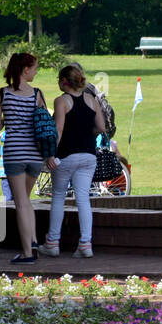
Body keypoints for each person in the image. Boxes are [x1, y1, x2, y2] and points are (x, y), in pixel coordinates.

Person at [41, 65, 106, 258]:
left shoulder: (61, 101)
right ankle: (86, 244)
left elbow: (58, 129)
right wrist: (86, 134)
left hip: (66, 156)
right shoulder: (92, 99)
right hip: (88, 155)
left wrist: (51, 154)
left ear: (63, 82)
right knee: (83, 199)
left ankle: (52, 242)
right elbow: (101, 127)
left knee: (59, 196)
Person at [0, 52, 47, 264]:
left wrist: (9, 117)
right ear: (25, 70)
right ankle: (32, 241)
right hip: (35, 154)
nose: (35, 71)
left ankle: (27, 253)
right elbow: (45, 123)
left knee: (20, 203)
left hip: (14, 152)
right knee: (26, 200)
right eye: (34, 68)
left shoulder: (2, 94)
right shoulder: (37, 94)